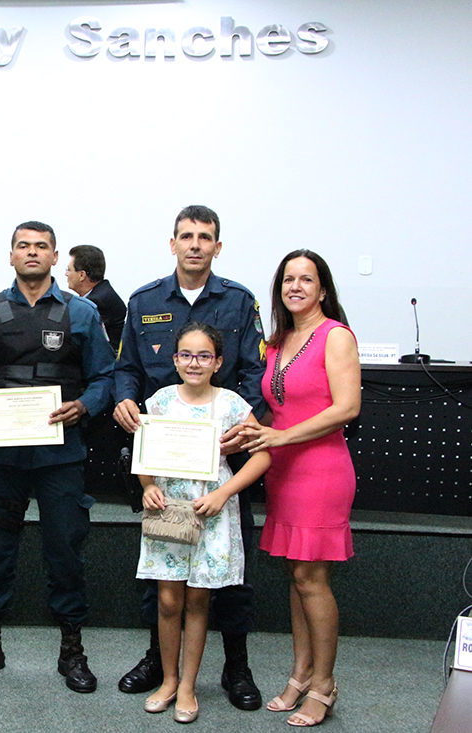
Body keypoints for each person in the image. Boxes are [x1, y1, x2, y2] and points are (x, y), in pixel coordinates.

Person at [112, 205, 267, 710]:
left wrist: (242, 430)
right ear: (173, 243)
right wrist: (125, 400)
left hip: (220, 464)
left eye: (205, 237)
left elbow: (255, 374)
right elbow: (127, 368)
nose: (195, 244)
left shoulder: (239, 301)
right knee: (164, 581)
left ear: (217, 247)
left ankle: (236, 666)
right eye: (186, 236)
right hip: (162, 466)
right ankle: (160, 663)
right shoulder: (145, 301)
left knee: (227, 578)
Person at [0, 221, 114, 694]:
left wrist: (85, 405)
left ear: (54, 256)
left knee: (65, 552)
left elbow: (104, 376)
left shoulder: (81, 313)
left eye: (41, 246)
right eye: (23, 246)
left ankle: (72, 652)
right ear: (11, 255)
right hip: (3, 457)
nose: (31, 252)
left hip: (60, 457)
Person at [238, 250, 360, 727]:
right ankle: (301, 673)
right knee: (296, 576)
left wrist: (280, 437)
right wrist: (249, 430)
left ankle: (324, 684)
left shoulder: (336, 336)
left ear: (322, 289)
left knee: (313, 578)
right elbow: (276, 407)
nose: (296, 287)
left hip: (321, 471)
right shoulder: (279, 341)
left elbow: (346, 408)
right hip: (283, 471)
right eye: (288, 279)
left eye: (306, 279)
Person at [137, 323, 271, 723]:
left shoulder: (231, 404)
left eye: (203, 356)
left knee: (198, 601)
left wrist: (224, 493)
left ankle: (189, 687)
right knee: (167, 600)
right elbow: (143, 453)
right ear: (175, 359)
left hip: (211, 512)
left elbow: (263, 455)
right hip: (169, 510)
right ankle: (169, 680)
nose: (194, 363)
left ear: (218, 362)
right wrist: (147, 486)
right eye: (186, 355)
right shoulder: (160, 401)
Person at [65, 244, 127, 351]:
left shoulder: (97, 302)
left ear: (82, 275)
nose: (66, 274)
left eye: (69, 269)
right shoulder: (102, 293)